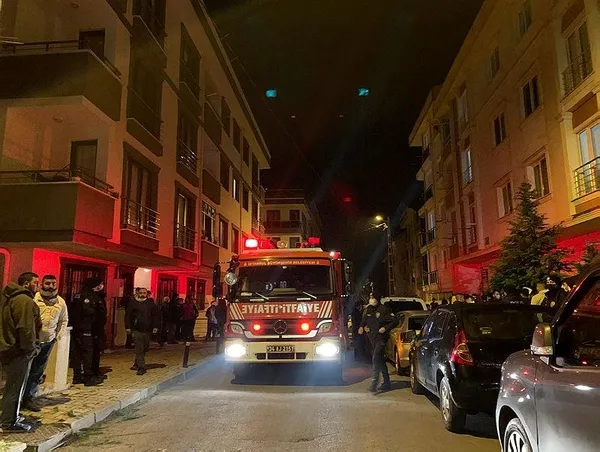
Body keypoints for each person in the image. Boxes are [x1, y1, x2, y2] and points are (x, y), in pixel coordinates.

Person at [0, 272, 41, 432]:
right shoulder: (24, 301)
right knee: (16, 386)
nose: (38, 286)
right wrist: (31, 348)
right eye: (35, 283)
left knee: (11, 386)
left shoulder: (10, 298)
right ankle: (9, 422)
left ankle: (8, 415)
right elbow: (26, 328)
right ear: (26, 284)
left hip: (9, 347)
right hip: (18, 350)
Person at [22, 275, 68, 412]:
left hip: (48, 342)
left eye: (53, 283)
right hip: (33, 342)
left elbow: (63, 320)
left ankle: (29, 398)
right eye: (48, 283)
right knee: (25, 370)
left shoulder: (60, 302)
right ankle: (18, 398)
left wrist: (57, 336)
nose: (51, 286)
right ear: (42, 284)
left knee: (38, 371)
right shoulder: (34, 299)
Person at [358, 296, 398, 392]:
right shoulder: (368, 309)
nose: (371, 299)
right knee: (380, 360)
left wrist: (385, 328)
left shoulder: (384, 309)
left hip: (381, 339)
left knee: (375, 359)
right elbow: (364, 319)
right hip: (372, 339)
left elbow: (395, 321)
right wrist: (361, 327)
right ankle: (387, 383)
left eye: (373, 297)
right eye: (370, 297)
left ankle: (374, 383)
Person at [70, 277, 105, 386]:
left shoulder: (77, 295)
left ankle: (77, 376)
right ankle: (88, 377)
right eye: (100, 284)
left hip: (76, 329)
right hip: (87, 329)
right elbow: (93, 313)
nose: (102, 286)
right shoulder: (91, 296)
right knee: (87, 353)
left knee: (77, 353)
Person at [126, 287, 159, 375]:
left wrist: (156, 326)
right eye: (141, 293)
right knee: (139, 348)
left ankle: (137, 363)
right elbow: (128, 316)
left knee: (145, 348)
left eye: (144, 293)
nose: (142, 294)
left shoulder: (150, 303)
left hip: (148, 329)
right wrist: (128, 327)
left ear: (146, 294)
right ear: (138, 293)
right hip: (136, 329)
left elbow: (155, 315)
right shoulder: (133, 303)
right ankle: (141, 367)